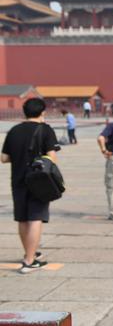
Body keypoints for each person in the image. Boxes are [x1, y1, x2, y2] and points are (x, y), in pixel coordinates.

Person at [1, 98, 58, 273]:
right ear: (42, 112)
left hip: (18, 180)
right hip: (39, 181)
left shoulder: (14, 130)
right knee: (36, 217)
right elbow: (52, 157)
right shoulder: (46, 130)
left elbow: (4, 158)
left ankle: (30, 253)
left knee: (23, 218)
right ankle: (29, 260)